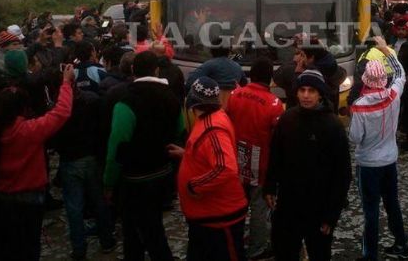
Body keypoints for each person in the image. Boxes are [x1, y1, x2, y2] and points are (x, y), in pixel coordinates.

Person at [0, 64, 75, 261]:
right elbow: (61, 113)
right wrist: (66, 84)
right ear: (23, 108)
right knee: (31, 243)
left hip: (3, 195)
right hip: (31, 196)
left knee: (10, 243)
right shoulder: (30, 130)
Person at [264, 69, 351, 261]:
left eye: (311, 90)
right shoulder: (287, 119)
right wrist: (270, 185)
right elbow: (276, 155)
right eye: (302, 90)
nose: (306, 95)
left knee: (319, 253)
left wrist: (331, 215)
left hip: (318, 207)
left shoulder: (332, 126)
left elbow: (342, 174)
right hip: (288, 204)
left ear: (320, 94)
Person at [103, 51, 183, 261]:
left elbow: (116, 145)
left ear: (132, 70)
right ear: (156, 70)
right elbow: (180, 131)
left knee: (141, 231)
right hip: (163, 173)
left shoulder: (126, 102)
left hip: (134, 179)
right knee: (149, 225)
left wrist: (108, 182)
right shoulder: (171, 98)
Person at [168, 77, 248, 261]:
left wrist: (193, 186)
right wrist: (188, 154)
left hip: (219, 216)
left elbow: (225, 167)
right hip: (207, 214)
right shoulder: (213, 118)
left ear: (192, 103)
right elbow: (211, 154)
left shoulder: (213, 129)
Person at [349, 37, 408, 260]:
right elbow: (401, 73)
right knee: (392, 204)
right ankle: (401, 244)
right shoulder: (394, 95)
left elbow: (355, 138)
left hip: (368, 164)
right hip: (390, 160)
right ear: (385, 78)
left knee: (371, 211)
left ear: (364, 79)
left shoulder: (359, 106)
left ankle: (370, 255)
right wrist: (386, 51)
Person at [224, 57, 284, 260]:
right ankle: (257, 248)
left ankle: (235, 240)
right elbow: (277, 139)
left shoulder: (235, 95)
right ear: (270, 78)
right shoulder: (274, 104)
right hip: (261, 162)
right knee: (259, 206)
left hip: (236, 157)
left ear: (251, 75)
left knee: (237, 203)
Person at [52, 72, 115, 259]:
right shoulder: (92, 100)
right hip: (92, 157)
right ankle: (106, 240)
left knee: (74, 207)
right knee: (99, 201)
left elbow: (54, 138)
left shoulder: (57, 108)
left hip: (70, 160)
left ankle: (79, 248)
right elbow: (103, 128)